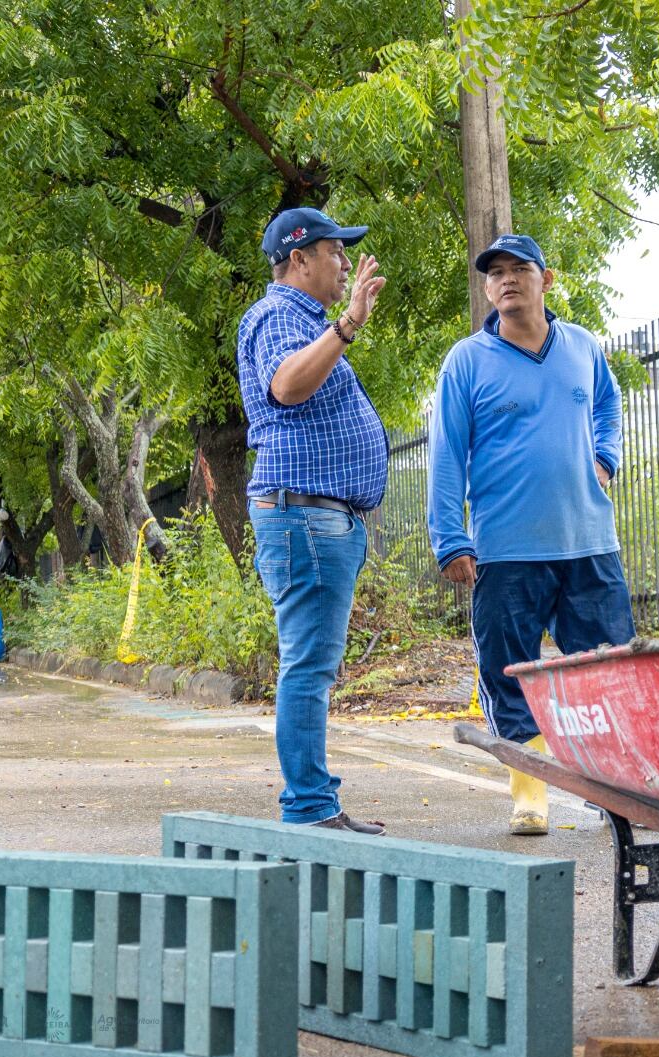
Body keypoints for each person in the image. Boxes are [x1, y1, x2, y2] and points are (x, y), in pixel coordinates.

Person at [427, 234, 633, 835]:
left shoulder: (583, 347)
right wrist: (450, 537)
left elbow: (607, 406)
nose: (507, 279)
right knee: (510, 671)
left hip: (589, 543)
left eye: (520, 268)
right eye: (495, 272)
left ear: (546, 279)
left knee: (607, 669)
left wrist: (606, 455)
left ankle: (615, 791)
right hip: (506, 549)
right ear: (487, 288)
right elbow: (446, 455)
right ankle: (530, 795)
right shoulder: (466, 361)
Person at [236, 207, 389, 834]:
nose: (345, 262)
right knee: (308, 665)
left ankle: (315, 798)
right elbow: (286, 386)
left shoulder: (301, 320)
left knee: (312, 664)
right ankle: (308, 807)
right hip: (305, 516)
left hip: (317, 518)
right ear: (299, 259)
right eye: (334, 251)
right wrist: (350, 322)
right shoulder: (279, 315)